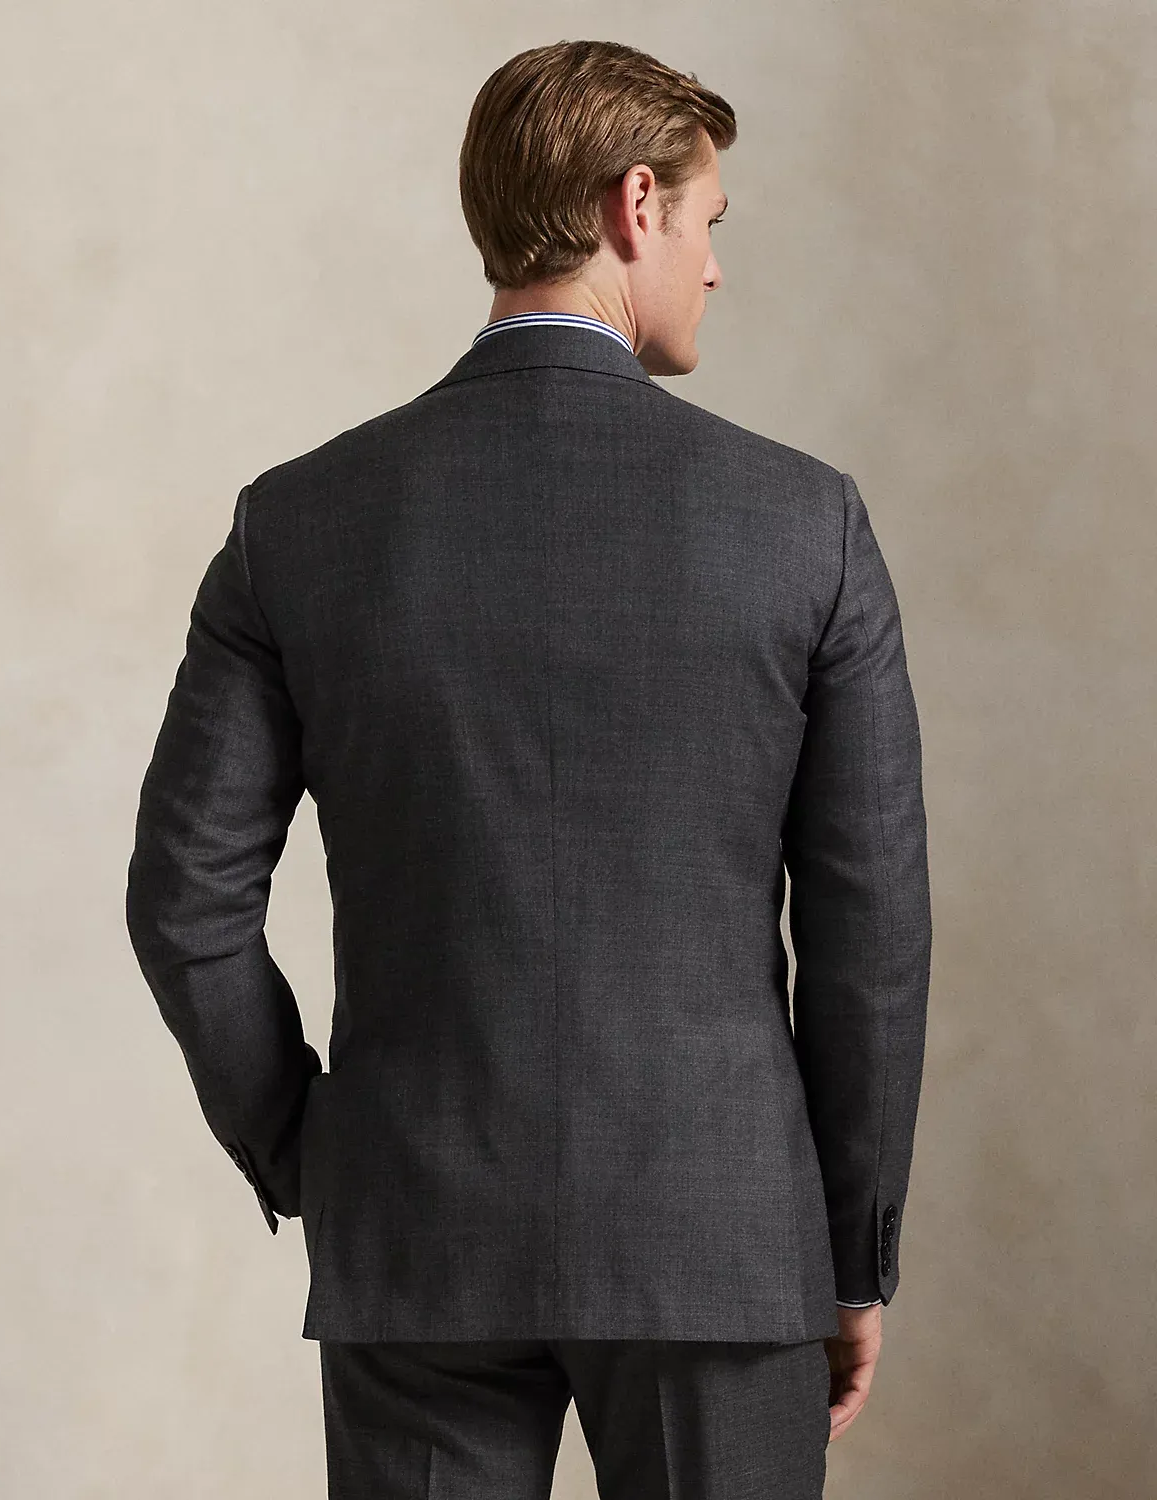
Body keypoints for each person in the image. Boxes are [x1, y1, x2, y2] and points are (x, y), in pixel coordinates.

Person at [125, 37, 931, 1500]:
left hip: (416, 1228)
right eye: (711, 223)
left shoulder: (298, 523)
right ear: (638, 206)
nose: (716, 267)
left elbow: (185, 903)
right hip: (718, 1240)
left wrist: (316, 1153)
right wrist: (850, 1250)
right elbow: (869, 938)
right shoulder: (802, 525)